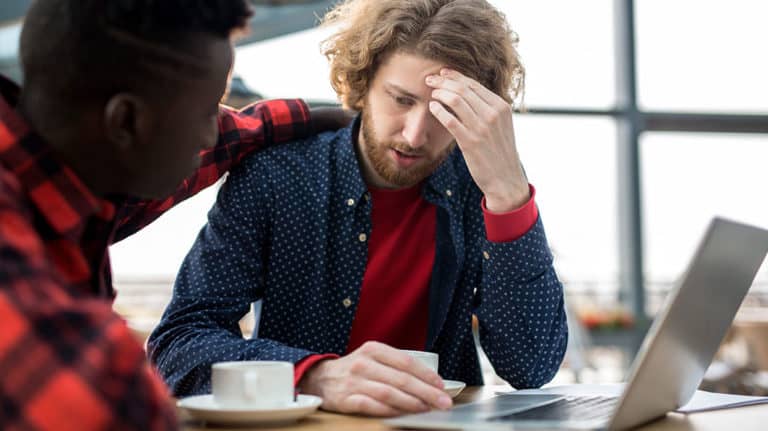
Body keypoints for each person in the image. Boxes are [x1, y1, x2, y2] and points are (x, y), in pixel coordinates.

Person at [149, 0, 568, 418]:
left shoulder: (485, 188)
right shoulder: (276, 177)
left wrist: (509, 195)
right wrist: (312, 376)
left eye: (445, 111)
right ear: (364, 83)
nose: (416, 134)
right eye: (402, 100)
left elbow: (530, 366)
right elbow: (178, 343)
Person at [0, 0, 347, 429]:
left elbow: (228, 137)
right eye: (206, 111)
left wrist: (326, 121)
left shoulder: (72, 175)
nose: (210, 131)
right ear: (126, 122)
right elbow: (101, 406)